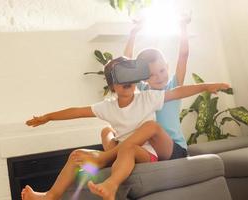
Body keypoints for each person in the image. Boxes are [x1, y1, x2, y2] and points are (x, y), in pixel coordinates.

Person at [21, 57, 229, 200]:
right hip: (120, 153)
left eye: (129, 75)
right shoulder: (107, 107)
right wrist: (48, 117)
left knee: (146, 130)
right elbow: (77, 111)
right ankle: (49, 196)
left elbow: (177, 92)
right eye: (119, 77)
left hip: (146, 153)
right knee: (77, 155)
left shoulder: (147, 98)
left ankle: (110, 185)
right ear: (112, 86)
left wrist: (205, 86)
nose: (126, 81)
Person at [121, 13, 192, 159]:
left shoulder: (174, 86)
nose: (159, 77)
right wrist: (133, 33)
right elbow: (126, 65)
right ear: (144, 78)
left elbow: (183, 55)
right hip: (152, 151)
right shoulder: (144, 90)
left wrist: (183, 26)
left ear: (167, 66)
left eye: (162, 70)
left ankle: (110, 156)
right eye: (152, 75)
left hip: (175, 149)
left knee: (152, 128)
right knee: (117, 138)